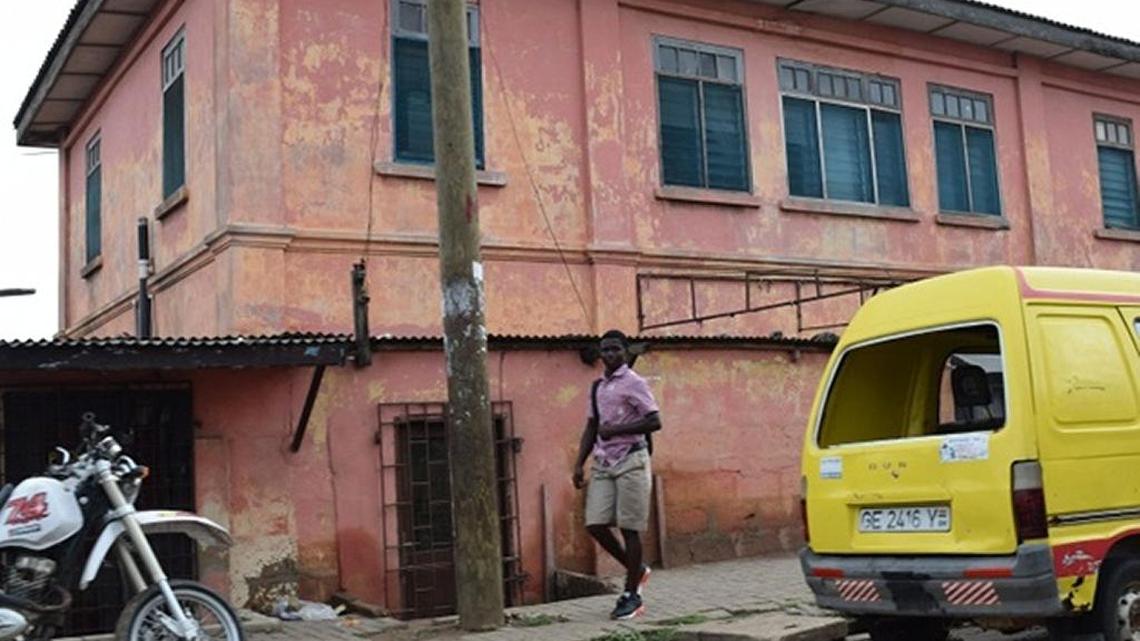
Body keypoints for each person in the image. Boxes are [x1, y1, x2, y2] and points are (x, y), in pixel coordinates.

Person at [572, 329, 662, 620]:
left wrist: (617, 431)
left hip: (632, 459)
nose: (609, 354)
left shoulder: (634, 383)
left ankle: (631, 594)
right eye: (605, 350)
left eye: (615, 349)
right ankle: (636, 569)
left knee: (629, 528)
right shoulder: (597, 387)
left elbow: (654, 421)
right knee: (595, 523)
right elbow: (591, 426)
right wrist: (578, 463)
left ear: (625, 351)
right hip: (603, 462)